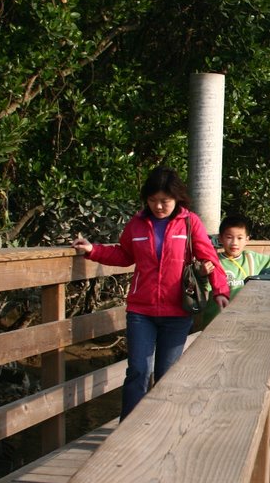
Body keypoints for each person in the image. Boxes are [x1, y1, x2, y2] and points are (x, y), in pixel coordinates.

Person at [71, 166, 230, 420]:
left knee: (166, 374)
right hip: (141, 311)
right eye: (153, 200)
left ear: (177, 198)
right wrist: (93, 250)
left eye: (165, 201)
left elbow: (210, 258)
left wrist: (221, 291)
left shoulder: (190, 223)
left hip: (178, 311)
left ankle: (159, 427)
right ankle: (127, 429)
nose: (158, 206)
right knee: (138, 370)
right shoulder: (137, 224)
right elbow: (123, 255)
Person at [200, 214, 270, 327]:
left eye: (240, 238)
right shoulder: (213, 261)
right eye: (229, 237)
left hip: (245, 323)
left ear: (247, 240)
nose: (234, 242)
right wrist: (203, 274)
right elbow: (203, 288)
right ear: (220, 238)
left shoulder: (253, 258)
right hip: (214, 324)